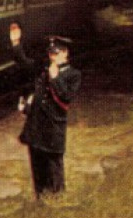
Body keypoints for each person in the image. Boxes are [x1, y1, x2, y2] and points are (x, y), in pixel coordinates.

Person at [9, 24, 81, 198]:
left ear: (65, 53)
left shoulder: (73, 75)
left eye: (56, 53)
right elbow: (24, 63)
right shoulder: (42, 69)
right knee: (38, 172)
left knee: (55, 173)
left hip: (53, 130)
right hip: (36, 128)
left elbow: (66, 97)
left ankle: (58, 203)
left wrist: (55, 78)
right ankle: (40, 200)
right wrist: (16, 43)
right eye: (50, 53)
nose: (52, 56)